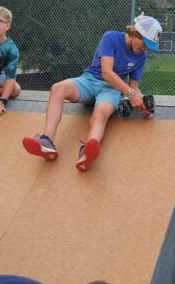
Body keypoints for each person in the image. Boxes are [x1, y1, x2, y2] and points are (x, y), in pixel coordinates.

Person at [21, 15, 162, 171]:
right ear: (136, 33)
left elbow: (134, 86)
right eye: (145, 43)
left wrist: (142, 102)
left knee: (101, 113)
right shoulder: (111, 38)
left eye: (149, 46)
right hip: (89, 81)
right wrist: (130, 93)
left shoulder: (141, 56)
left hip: (111, 90)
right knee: (57, 88)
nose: (145, 49)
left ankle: (87, 151)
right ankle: (47, 142)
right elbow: (107, 73)